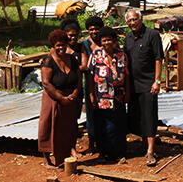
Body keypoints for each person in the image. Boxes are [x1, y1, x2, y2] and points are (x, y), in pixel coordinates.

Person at [123, 8, 164, 167]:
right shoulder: (128, 38)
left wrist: (157, 81)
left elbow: (158, 58)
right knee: (137, 115)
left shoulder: (152, 35)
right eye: (129, 20)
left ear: (141, 19)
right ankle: (142, 144)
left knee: (149, 116)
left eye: (134, 19)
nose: (132, 23)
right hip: (133, 84)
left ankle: (150, 151)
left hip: (148, 84)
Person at [38, 29, 81, 167]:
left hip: (69, 98)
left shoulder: (73, 60)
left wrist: (75, 93)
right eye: (58, 45)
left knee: (67, 128)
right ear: (53, 46)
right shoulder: (48, 61)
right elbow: (46, 82)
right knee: (48, 126)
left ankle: (63, 157)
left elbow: (79, 79)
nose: (61, 48)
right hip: (53, 99)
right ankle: (46, 159)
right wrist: (60, 98)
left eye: (63, 44)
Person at [88, 26, 129, 162]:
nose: (107, 43)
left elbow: (127, 75)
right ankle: (103, 153)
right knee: (102, 126)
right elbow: (90, 75)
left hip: (118, 95)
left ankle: (118, 153)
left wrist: (127, 93)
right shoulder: (96, 54)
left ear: (114, 40)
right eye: (104, 40)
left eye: (109, 40)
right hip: (101, 96)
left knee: (118, 125)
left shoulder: (121, 55)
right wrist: (91, 95)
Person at [81, 15, 104, 152]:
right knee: (91, 113)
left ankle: (104, 142)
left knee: (104, 113)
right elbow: (85, 65)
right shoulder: (85, 44)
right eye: (91, 29)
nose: (94, 32)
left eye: (96, 29)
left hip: (105, 83)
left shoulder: (105, 41)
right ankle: (92, 143)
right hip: (90, 82)